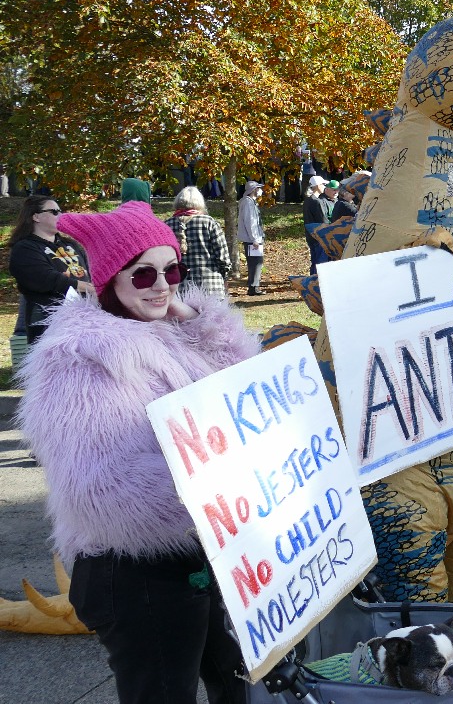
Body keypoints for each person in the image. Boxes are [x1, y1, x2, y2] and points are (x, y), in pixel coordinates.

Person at [16, 200, 258, 703]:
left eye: (172, 269)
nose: (164, 284)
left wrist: (196, 320)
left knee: (236, 680)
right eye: (143, 275)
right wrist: (222, 487)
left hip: (195, 551)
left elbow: (247, 388)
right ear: (109, 280)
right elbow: (102, 488)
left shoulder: (168, 330)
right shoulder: (81, 360)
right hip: (132, 571)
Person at [8, 195, 95, 344]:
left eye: (60, 211)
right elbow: (44, 278)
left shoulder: (71, 244)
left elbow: (91, 270)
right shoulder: (25, 248)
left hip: (85, 316)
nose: (60, 215)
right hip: (47, 319)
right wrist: (84, 286)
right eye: (54, 212)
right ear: (36, 216)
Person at [164, 186, 231, 300]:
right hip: (210, 286)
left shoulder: (166, 225)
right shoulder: (209, 223)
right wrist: (225, 276)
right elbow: (223, 258)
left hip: (180, 289)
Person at [237, 179, 266, 295]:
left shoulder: (249, 202)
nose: (260, 191)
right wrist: (255, 239)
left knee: (255, 262)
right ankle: (253, 287)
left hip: (252, 238)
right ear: (254, 190)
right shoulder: (248, 203)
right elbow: (251, 222)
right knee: (256, 263)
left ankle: (254, 286)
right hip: (252, 240)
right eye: (258, 188)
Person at [302, 175, 333, 274]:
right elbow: (323, 220)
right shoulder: (316, 202)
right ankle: (317, 282)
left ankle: (313, 280)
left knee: (315, 260)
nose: (324, 186)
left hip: (310, 235)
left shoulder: (308, 200)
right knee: (320, 261)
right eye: (323, 184)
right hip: (319, 236)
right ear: (317, 186)